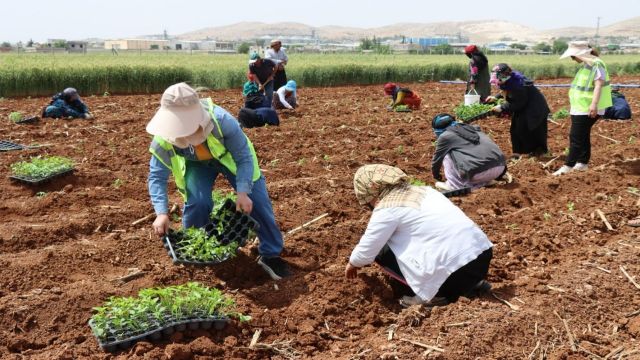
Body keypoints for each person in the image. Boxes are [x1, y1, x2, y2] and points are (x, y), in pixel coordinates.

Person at [146, 83, 290, 280]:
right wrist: (161, 213)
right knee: (197, 202)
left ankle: (270, 255)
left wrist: (243, 192)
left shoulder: (221, 120)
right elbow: (156, 176)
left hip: (229, 158)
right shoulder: (163, 137)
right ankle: (197, 252)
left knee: (256, 200)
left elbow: (243, 157)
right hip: (196, 164)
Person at [345, 164, 494, 307]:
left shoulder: (386, 209)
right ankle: (472, 285)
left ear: (372, 191)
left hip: (452, 274)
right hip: (481, 255)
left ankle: (434, 295)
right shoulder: (426, 191)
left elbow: (367, 250)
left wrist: (353, 263)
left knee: (382, 250)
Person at [553, 42, 613, 176]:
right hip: (580, 106)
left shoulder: (597, 64)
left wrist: (594, 105)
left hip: (587, 107)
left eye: (573, 56)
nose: (573, 59)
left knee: (576, 136)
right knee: (583, 134)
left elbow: (598, 85)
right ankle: (582, 163)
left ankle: (568, 166)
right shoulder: (588, 65)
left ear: (581, 53)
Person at [431, 114, 506, 191]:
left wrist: (436, 176)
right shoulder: (473, 128)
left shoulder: (445, 136)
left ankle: (454, 185)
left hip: (478, 174)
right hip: (500, 169)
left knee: (447, 154)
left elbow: (437, 159)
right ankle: (485, 182)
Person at [488, 63, 550, 157]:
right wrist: (495, 97)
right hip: (525, 107)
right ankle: (518, 152)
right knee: (516, 129)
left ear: (504, 76)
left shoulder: (519, 85)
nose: (497, 82)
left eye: (498, 79)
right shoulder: (509, 80)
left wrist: (502, 107)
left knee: (533, 129)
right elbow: (505, 91)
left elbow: (519, 103)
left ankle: (539, 152)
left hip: (535, 109)